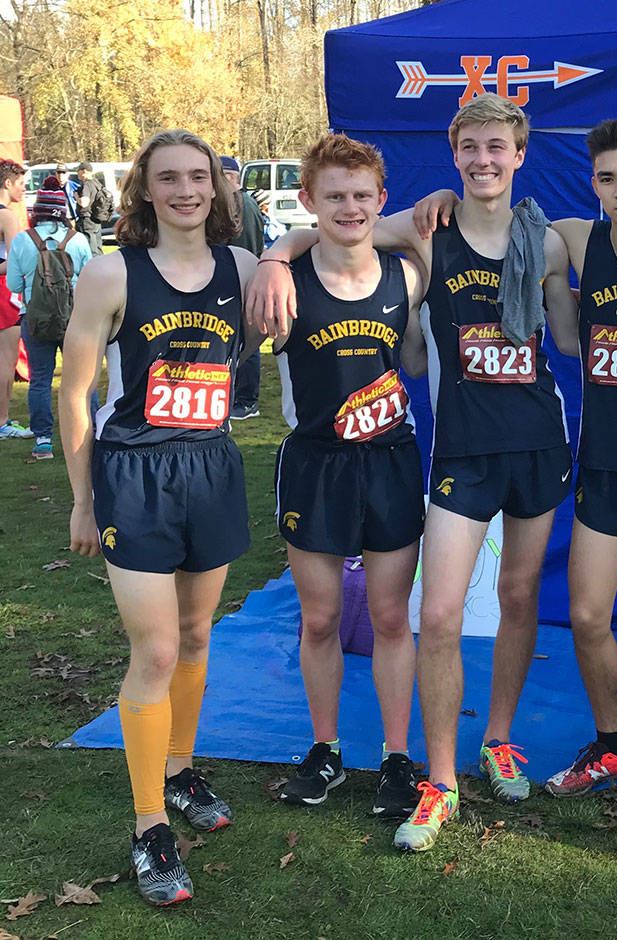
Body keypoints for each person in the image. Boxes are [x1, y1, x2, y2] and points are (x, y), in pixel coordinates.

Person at [249, 93, 578, 852]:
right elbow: (335, 232)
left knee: (522, 594)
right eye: (472, 148)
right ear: (454, 153)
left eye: (499, 147)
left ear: (520, 154)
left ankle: (496, 739)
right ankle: (438, 779)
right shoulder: (428, 236)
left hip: (538, 443)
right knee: (437, 616)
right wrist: (272, 255)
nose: (486, 160)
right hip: (461, 449)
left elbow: (570, 330)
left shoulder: (553, 244)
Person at [412, 116, 617, 799]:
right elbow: (479, 232)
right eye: (607, 178)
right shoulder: (571, 239)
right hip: (597, 459)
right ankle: (611, 745)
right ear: (594, 185)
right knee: (582, 615)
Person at [59, 128, 257, 905]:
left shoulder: (243, 267)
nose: (185, 190)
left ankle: (178, 769)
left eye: (198, 177)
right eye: (168, 178)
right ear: (145, 189)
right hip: (134, 474)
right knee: (156, 650)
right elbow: (72, 393)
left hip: (210, 468)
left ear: (217, 188)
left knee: (199, 634)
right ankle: (149, 828)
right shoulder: (111, 274)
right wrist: (83, 497)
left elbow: (341, 232)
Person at [266, 133, 428, 820]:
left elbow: (416, 359)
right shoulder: (283, 282)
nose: (350, 207)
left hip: (389, 462)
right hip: (316, 466)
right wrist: (279, 252)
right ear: (308, 201)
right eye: (334, 195)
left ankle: (396, 758)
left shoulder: (408, 276)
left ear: (380, 199)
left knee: (392, 617)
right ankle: (326, 749)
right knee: (322, 616)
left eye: (362, 195)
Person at [6, 175, 92, 459]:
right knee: (82, 378)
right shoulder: (77, 239)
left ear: (37, 211)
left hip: (35, 320)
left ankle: (43, 439)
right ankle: (92, 432)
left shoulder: (22, 240)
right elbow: (90, 277)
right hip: (75, 318)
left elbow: (14, 286)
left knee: (40, 380)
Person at [219, 156, 265, 420]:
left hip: (241, 279)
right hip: (234, 277)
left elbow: (244, 246)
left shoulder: (243, 203)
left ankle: (247, 400)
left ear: (230, 177)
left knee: (247, 339)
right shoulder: (236, 202)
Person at [0, 158, 33, 440]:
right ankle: (2, 422)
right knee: (5, 358)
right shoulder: (7, 216)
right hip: (3, 290)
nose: (23, 190)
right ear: (8, 184)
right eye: (21, 184)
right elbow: (13, 262)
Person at [74, 163, 106, 256]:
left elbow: (84, 203)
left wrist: (76, 197)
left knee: (90, 250)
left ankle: (93, 268)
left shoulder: (87, 184)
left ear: (83, 171)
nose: (77, 173)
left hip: (87, 221)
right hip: (96, 219)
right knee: (98, 248)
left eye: (78, 171)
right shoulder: (97, 183)